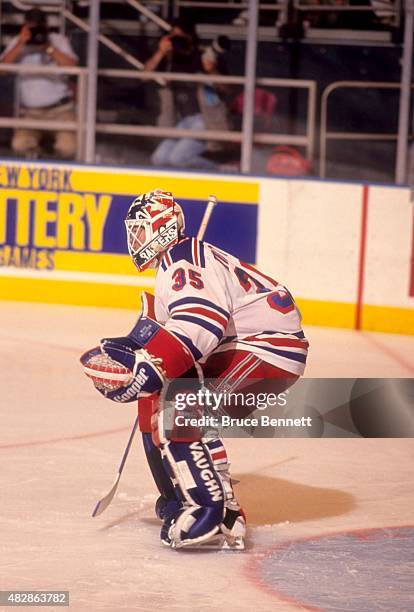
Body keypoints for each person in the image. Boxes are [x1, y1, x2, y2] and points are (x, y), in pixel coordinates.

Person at [81, 189, 308, 550]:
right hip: (253, 344)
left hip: (268, 349)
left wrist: (152, 368)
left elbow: (203, 320)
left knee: (181, 407)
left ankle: (210, 513)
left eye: (139, 229)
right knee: (163, 400)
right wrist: (139, 354)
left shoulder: (182, 260)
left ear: (161, 227)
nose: (134, 239)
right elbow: (178, 329)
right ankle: (192, 498)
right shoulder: (178, 259)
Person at [0, 7, 78, 159]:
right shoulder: (18, 41)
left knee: (68, 148)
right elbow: (2, 69)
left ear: (45, 25)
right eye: (31, 26)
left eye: (38, 26)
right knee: (20, 145)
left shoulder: (58, 40)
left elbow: (72, 66)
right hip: (31, 113)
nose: (35, 30)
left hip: (60, 110)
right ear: (25, 25)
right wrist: (20, 44)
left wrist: (48, 48)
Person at [145, 18, 216, 170]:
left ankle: (219, 172)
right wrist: (160, 52)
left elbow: (228, 88)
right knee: (159, 158)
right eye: (173, 36)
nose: (178, 41)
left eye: (181, 37)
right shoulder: (169, 58)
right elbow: (144, 76)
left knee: (177, 159)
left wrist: (212, 71)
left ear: (191, 37)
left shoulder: (203, 55)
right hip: (182, 121)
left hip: (205, 119)